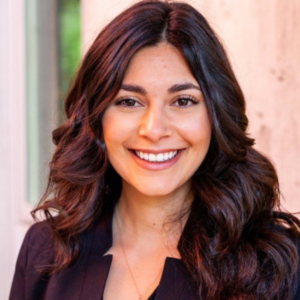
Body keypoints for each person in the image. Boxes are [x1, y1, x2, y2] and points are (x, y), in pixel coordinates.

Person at [9, 1, 300, 299]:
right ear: (97, 118)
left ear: (216, 115)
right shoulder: (45, 250)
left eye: (183, 101)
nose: (154, 129)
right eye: (129, 102)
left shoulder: (276, 263)